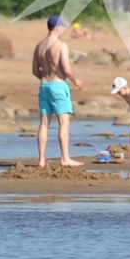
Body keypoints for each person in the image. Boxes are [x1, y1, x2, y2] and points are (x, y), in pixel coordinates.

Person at [31, 16, 82, 168]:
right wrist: (76, 80)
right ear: (57, 27)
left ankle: (41, 160)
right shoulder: (61, 45)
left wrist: (46, 79)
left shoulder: (39, 46)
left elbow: (34, 70)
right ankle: (65, 158)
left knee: (44, 123)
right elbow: (66, 68)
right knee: (63, 123)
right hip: (58, 85)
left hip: (44, 85)